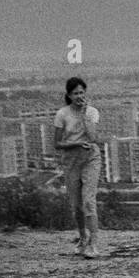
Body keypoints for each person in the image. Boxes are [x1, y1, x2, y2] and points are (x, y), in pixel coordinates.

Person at [54, 78, 103, 258]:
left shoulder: (92, 112)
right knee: (77, 205)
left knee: (89, 201)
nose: (79, 96)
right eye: (75, 93)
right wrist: (75, 144)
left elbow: (93, 137)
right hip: (71, 161)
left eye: (82, 92)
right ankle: (82, 237)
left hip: (90, 158)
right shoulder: (62, 114)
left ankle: (94, 243)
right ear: (69, 95)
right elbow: (57, 143)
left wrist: (84, 115)